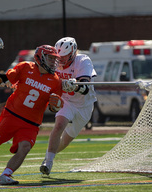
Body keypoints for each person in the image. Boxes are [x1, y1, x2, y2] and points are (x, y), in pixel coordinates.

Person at [0, 45, 64, 185]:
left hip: (31, 123)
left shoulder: (56, 81)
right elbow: (4, 81)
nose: (53, 62)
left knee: (25, 147)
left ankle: (5, 175)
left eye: (54, 59)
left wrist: (57, 105)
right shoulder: (25, 67)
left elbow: (53, 108)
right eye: (50, 58)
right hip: (12, 115)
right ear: (40, 57)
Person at [40, 37, 97, 176]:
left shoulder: (83, 61)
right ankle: (48, 163)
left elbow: (85, 88)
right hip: (66, 101)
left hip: (84, 106)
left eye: (64, 57)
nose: (61, 61)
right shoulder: (54, 62)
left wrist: (75, 85)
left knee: (65, 141)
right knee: (59, 125)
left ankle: (49, 154)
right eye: (59, 57)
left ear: (72, 54)